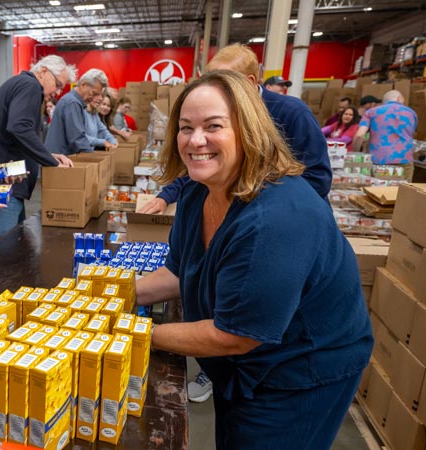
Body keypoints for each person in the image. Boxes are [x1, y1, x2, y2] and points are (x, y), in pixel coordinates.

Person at [136, 70, 372, 449]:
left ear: (249, 129)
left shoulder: (276, 218)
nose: (196, 141)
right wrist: (110, 295)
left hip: (298, 369)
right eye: (185, 127)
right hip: (242, 359)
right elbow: (180, 271)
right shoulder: (200, 192)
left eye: (213, 126)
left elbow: (235, 336)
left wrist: (127, 334)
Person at [140, 44, 331, 216]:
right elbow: (201, 162)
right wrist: (167, 195)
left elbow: (317, 178)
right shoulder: (193, 206)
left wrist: (253, 209)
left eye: (222, 81)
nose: (197, 140)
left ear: (249, 82)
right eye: (186, 127)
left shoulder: (292, 113)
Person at [0, 54, 75, 238]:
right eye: (58, 85)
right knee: (5, 244)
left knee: (16, 239)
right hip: (5, 181)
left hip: (8, 175)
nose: (57, 93)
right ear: (43, 72)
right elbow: (19, 128)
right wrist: (52, 162)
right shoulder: (30, 85)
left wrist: (49, 154)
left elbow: (21, 132)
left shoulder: (22, 84)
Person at [353, 90, 417, 181]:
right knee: (402, 191)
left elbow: (359, 135)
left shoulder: (371, 112)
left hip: (378, 160)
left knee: (378, 191)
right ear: (399, 99)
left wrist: (356, 153)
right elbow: (411, 133)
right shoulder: (411, 113)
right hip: (404, 159)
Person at [45, 68, 109, 155]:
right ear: (83, 85)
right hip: (60, 160)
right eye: (94, 93)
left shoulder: (73, 101)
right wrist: (95, 159)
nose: (95, 98)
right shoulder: (72, 103)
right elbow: (77, 139)